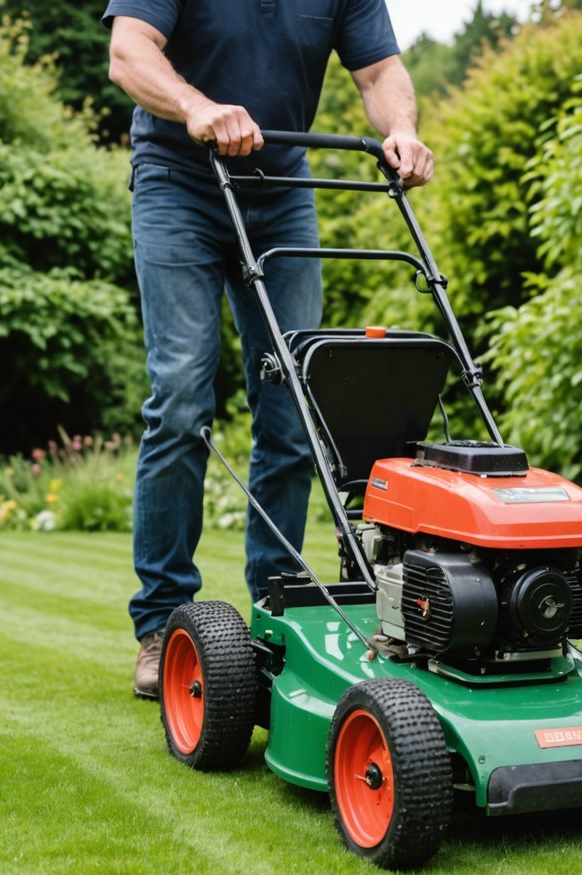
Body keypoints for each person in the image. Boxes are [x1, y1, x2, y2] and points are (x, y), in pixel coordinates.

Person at [101, 1, 434, 699]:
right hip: (178, 183)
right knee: (183, 396)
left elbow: (378, 71)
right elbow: (130, 50)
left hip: (283, 189)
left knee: (293, 405)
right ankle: (162, 623)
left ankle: (275, 610)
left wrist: (402, 129)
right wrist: (197, 105)